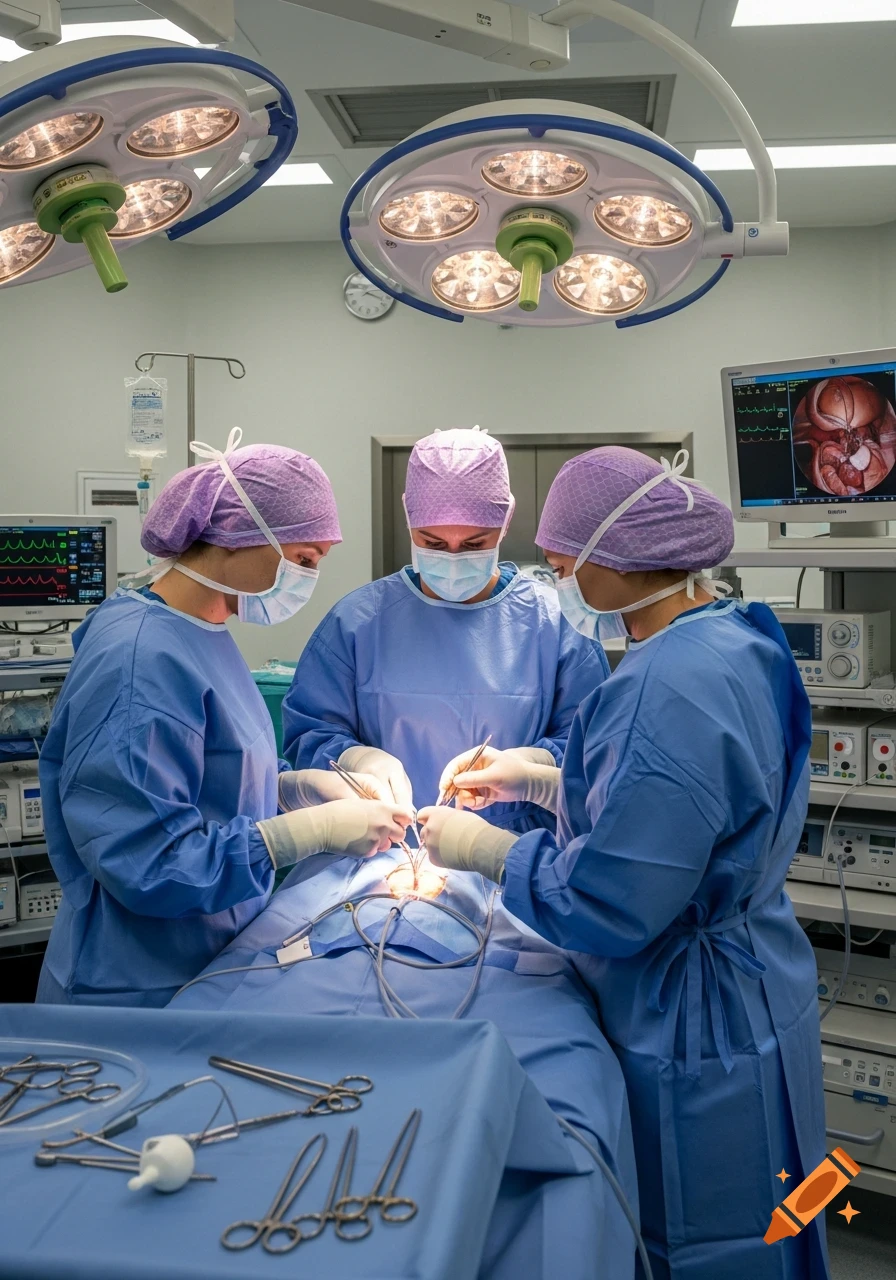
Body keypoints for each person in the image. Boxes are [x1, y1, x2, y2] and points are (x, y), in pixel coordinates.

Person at [419, 447, 829, 1280]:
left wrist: (487, 850)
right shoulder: (733, 638)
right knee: (793, 1205)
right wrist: (546, 779)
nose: (557, 570)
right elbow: (693, 807)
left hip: (696, 1022)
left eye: (568, 555)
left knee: (710, 1237)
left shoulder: (666, 683)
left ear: (626, 556)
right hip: (764, 984)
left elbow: (613, 898)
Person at [37, 429, 410, 1008]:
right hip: (136, 986)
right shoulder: (139, 658)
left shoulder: (202, 629)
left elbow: (205, 781)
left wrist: (296, 792)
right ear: (240, 537)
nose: (307, 579)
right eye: (304, 559)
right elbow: (150, 864)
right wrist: (310, 833)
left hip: (208, 955)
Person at [282, 426, 609, 829]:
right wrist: (357, 761)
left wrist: (529, 770)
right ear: (409, 522)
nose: (453, 558)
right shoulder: (357, 622)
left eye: (474, 544)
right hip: (379, 847)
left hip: (515, 852)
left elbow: (591, 743)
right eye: (433, 544)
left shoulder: (556, 623)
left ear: (505, 522)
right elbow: (310, 734)